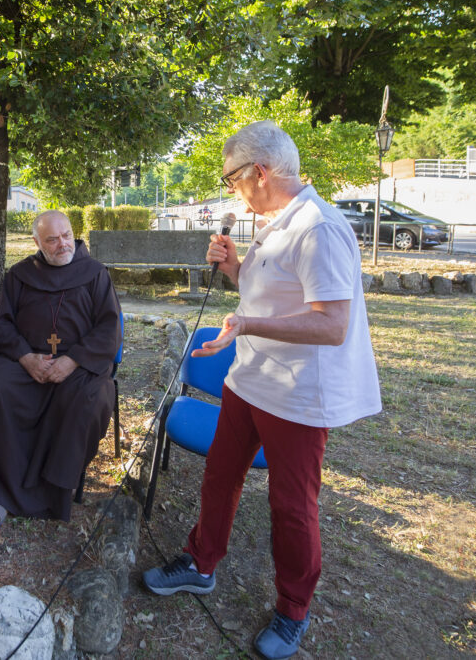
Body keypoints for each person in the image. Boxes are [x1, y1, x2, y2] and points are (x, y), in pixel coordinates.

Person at [141, 121, 381, 660]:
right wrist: (233, 267)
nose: (231, 190)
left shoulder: (318, 228)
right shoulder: (276, 222)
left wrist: (246, 326)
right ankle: (201, 563)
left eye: (232, 178)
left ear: (261, 172)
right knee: (220, 474)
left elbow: (330, 326)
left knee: (291, 505)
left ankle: (293, 610)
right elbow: (268, 294)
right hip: (250, 380)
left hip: (298, 394)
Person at [0, 211, 120, 528]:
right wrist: (25, 357)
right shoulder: (21, 274)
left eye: (66, 236)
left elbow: (109, 329)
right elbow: (2, 323)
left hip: (79, 364)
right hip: (27, 362)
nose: (62, 244)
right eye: (52, 239)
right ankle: (1, 489)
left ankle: (54, 490)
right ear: (37, 242)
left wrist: (72, 360)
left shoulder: (94, 273)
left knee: (93, 398)